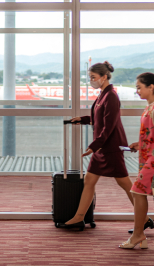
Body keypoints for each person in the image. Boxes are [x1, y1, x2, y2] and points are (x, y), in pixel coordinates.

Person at [64, 61, 134, 231]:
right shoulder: (103, 94)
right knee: (89, 180)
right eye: (90, 77)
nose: (91, 80)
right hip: (102, 147)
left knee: (125, 183)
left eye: (93, 77)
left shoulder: (111, 96)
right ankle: (79, 217)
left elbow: (108, 125)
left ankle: (145, 217)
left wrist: (94, 145)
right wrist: (83, 119)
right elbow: (99, 118)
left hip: (109, 147)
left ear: (104, 77)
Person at [119, 73, 154, 249]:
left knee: (137, 192)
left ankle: (138, 234)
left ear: (151, 87)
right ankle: (140, 235)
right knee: (139, 193)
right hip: (149, 158)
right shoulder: (150, 108)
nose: (137, 91)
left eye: (139, 87)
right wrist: (141, 144)